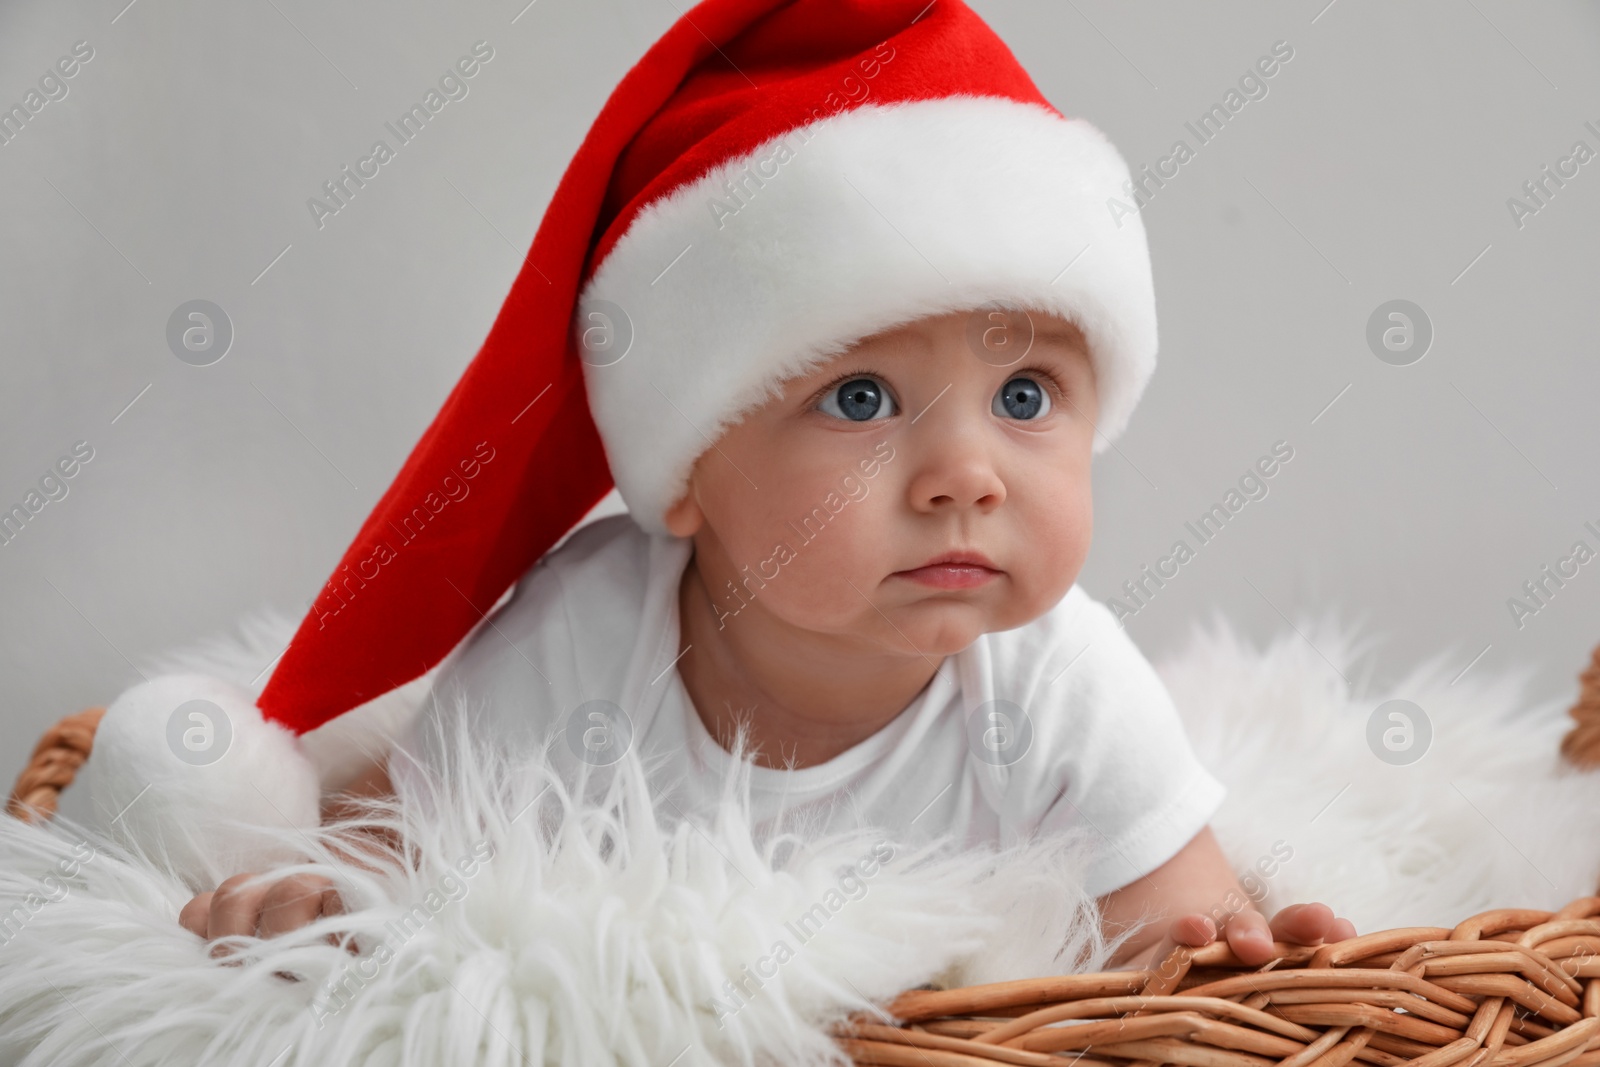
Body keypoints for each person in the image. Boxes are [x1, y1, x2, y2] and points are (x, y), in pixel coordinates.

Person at [179, 0, 1355, 972]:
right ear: (687, 467)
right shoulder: (583, 643)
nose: (965, 478)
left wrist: (1234, 950)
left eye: (1025, 395)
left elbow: (1176, 922)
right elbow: (401, 842)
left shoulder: (1058, 686)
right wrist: (322, 898)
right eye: (858, 399)